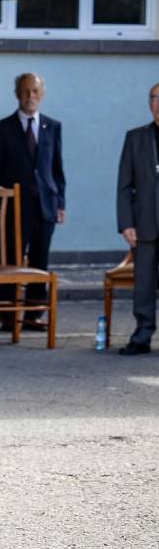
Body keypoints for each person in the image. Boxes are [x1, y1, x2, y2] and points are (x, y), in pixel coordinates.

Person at [0, 73, 65, 329]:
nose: (30, 96)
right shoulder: (1, 129)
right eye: (25, 91)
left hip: (44, 203)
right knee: (10, 258)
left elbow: (56, 168)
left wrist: (60, 203)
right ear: (16, 93)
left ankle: (33, 313)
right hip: (13, 207)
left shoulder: (52, 127)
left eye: (34, 91)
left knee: (39, 259)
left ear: (42, 94)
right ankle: (8, 314)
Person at [115, 82, 159, 356]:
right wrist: (125, 223)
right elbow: (124, 185)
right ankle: (142, 335)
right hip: (144, 224)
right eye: (154, 98)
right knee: (143, 284)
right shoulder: (136, 138)